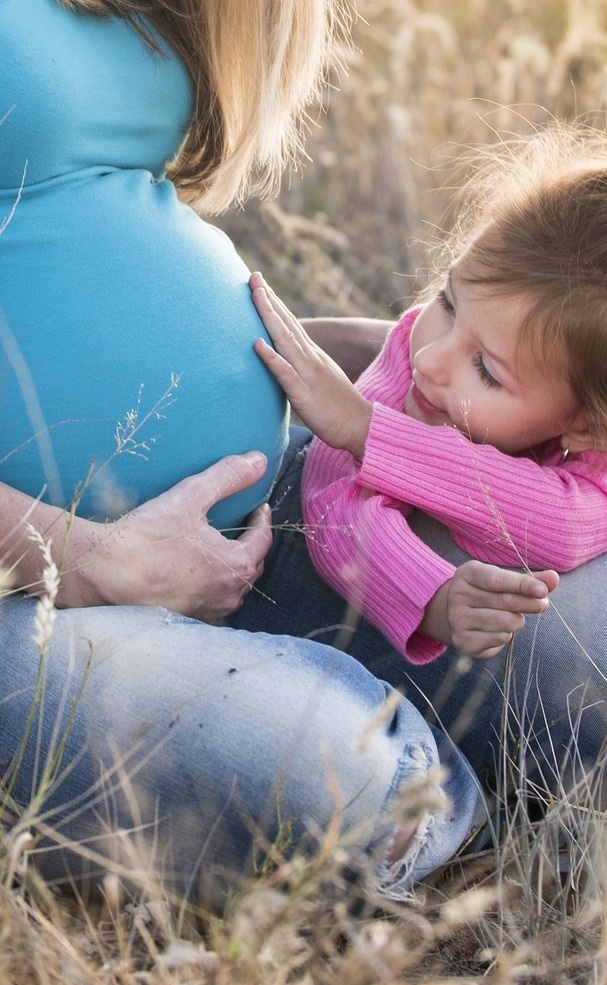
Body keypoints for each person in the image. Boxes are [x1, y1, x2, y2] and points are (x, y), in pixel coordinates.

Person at [0, 0, 483, 905]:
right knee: (349, 799)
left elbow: (79, 221)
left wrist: (379, 382)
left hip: (259, 517)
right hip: (35, 591)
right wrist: (93, 560)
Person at [231, 125, 607, 830]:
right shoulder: (420, 353)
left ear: (590, 427)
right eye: (448, 300)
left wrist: (372, 431)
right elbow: (332, 498)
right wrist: (423, 594)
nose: (431, 358)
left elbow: (559, 524)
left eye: (486, 369)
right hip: (491, 571)